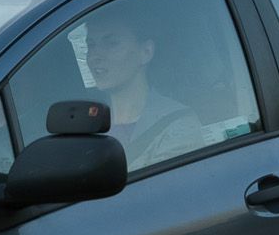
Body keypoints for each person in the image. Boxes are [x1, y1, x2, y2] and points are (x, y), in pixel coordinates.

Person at [83, 10, 204, 168]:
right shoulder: (85, 124)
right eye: (91, 45)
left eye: (111, 43)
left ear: (146, 52)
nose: (94, 56)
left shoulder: (177, 123)